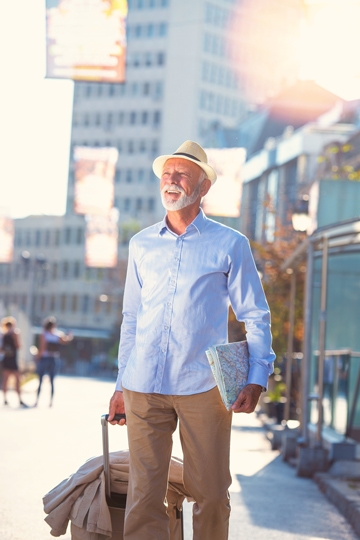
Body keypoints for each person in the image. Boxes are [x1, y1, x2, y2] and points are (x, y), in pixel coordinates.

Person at [108, 140, 276, 540]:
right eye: (167, 174)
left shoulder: (229, 243)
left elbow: (255, 314)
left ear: (203, 187)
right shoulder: (141, 244)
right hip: (144, 384)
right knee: (143, 495)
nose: (172, 181)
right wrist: (120, 384)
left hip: (203, 385)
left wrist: (257, 376)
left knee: (211, 493)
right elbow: (131, 318)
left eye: (182, 174)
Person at [35, 316, 73, 407]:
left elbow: (42, 347)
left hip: (45, 358)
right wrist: (70, 335)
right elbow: (66, 340)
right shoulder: (57, 334)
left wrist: (37, 357)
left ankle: (37, 401)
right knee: (52, 381)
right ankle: (50, 402)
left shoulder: (44, 334)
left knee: (40, 380)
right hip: (53, 359)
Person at [1, 316, 26, 407]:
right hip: (10, 359)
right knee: (14, 380)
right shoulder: (11, 334)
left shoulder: (5, 335)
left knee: (9, 380)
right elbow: (18, 346)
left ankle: (8, 399)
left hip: (9, 359)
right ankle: (15, 399)